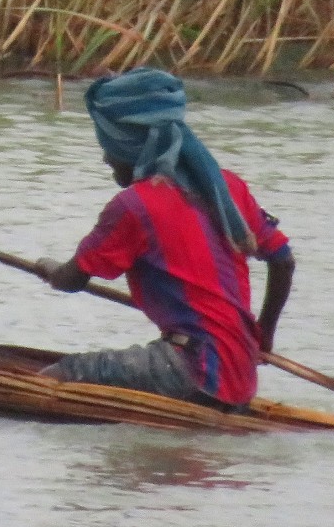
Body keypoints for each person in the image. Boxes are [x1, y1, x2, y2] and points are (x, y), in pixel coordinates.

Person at [36, 69, 294, 409]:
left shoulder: (134, 206)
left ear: (130, 147)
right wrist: (263, 335)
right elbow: (283, 260)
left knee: (57, 376)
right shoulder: (227, 188)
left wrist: (47, 268)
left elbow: (71, 280)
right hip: (240, 373)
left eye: (108, 147)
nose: (105, 159)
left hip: (192, 365)